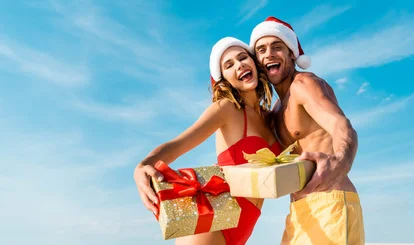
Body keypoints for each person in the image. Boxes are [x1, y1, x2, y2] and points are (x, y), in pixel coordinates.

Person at [132, 37, 282, 245]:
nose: (239, 65)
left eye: (242, 57)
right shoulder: (227, 108)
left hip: (245, 223)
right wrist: (144, 165)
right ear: (224, 79)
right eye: (229, 65)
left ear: (254, 63)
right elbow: (178, 145)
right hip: (213, 222)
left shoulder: (272, 118)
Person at [249, 17, 365, 245]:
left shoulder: (304, 84)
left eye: (277, 46)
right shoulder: (276, 109)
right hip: (300, 212)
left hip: (329, 203)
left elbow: (340, 125)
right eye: (262, 50)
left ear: (292, 54)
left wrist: (342, 160)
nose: (269, 53)